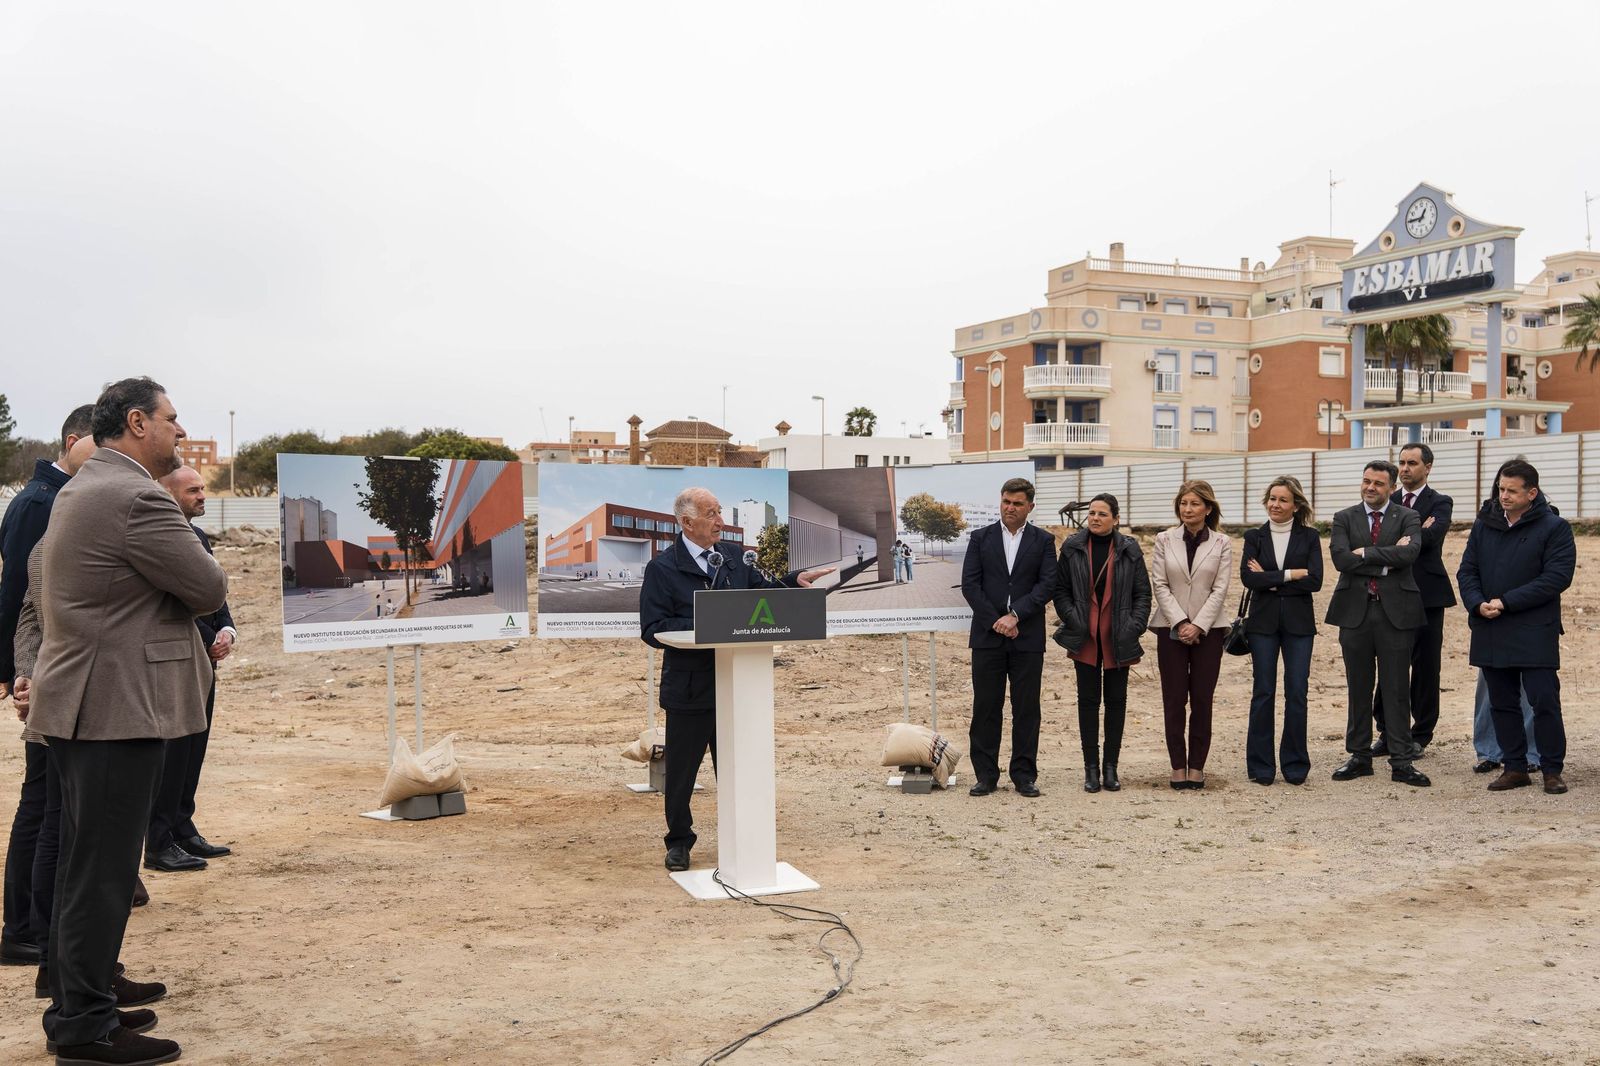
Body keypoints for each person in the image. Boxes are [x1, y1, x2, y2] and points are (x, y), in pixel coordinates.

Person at [28, 377, 228, 1063]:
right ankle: (84, 1027)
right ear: (138, 422)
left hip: (87, 701)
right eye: (172, 418)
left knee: (85, 865)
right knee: (102, 872)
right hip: (113, 706)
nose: (180, 430)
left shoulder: (89, 485)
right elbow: (206, 585)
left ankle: (80, 1000)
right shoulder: (136, 496)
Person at [639, 487, 832, 872]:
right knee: (682, 774)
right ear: (687, 522)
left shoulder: (732, 556)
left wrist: (793, 581)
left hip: (740, 685)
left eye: (719, 511)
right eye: (711, 514)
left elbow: (761, 595)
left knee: (738, 769)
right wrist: (711, 620)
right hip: (691, 689)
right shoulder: (662, 568)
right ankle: (679, 841)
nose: (720, 521)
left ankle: (743, 837)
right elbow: (653, 628)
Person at [0, 404, 95, 969]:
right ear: (72, 440)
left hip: (46, 671)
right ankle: (25, 927)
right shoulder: (42, 502)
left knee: (50, 803)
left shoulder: (63, 496)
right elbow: (21, 596)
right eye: (98, 443)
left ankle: (36, 924)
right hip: (43, 674)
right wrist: (19, 673)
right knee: (41, 804)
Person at [1457, 459, 1575, 794]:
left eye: (1512, 491)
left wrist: (1506, 602)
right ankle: (1514, 768)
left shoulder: (1554, 527)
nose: (1504, 496)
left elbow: (1556, 578)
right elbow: (1467, 571)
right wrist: (1477, 602)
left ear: (1532, 493)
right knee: (1502, 702)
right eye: (1501, 489)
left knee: (1543, 700)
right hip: (1491, 627)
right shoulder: (1485, 525)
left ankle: (1551, 770)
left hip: (1534, 628)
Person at [144, 466, 236, 874]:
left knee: (194, 748)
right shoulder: (156, 537)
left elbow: (215, 592)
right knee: (173, 753)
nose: (202, 496)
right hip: (175, 663)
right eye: (193, 490)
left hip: (205, 661)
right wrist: (206, 636)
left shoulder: (197, 536)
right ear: (167, 492)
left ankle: (183, 826)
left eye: (203, 488)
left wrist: (227, 630)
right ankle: (159, 841)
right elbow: (167, 601)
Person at [1326, 460, 1429, 787]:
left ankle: (1401, 761)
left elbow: (1409, 554)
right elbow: (1341, 559)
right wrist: (1386, 558)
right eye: (1366, 481)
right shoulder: (1344, 517)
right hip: (1354, 613)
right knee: (1358, 687)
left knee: (1396, 689)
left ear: (1392, 487)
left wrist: (1365, 554)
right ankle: (1359, 756)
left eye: (1378, 483)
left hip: (1395, 614)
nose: (1370, 487)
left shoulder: (1408, 517)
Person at [960, 477, 1058, 798]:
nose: (1010, 508)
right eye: (1006, 501)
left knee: (1026, 709)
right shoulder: (980, 538)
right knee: (986, 707)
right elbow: (970, 585)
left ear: (1030, 506)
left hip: (1027, 637)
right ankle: (985, 776)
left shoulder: (1044, 541)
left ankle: (1024, 775)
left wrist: (1015, 615)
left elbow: (1047, 585)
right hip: (987, 637)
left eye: (1017, 503)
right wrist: (997, 621)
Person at [1052, 493, 1150, 794]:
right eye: (1092, 513)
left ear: (1116, 519)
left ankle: (1111, 768)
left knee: (1117, 703)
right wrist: (1073, 618)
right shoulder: (1072, 547)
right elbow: (1061, 590)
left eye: (1102, 514)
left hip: (1118, 637)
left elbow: (1142, 594)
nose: (1094, 518)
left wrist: (1134, 626)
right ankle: (1091, 769)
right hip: (1085, 637)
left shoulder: (1129, 549)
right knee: (1088, 702)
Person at [1370, 442, 1455, 758]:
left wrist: (1403, 535)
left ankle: (1420, 733)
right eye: (1402, 462)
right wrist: (1416, 527)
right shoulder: (1387, 499)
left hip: (1428, 595)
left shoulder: (1441, 502)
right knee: (1389, 664)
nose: (1404, 468)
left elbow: (1428, 540)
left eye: (1412, 463)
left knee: (1425, 667)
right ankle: (1387, 732)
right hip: (1390, 593)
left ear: (1427, 467)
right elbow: (1374, 539)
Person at [1240, 476, 1324, 785]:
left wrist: (1271, 578)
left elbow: (1314, 580)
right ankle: (1260, 766)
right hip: (1262, 624)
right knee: (1263, 692)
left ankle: (1295, 764)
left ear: (1296, 505)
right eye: (1272, 498)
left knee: (1297, 693)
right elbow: (1249, 579)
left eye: (1283, 500)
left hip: (1299, 626)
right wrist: (1290, 575)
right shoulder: (1254, 536)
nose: (1275, 504)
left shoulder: (1310, 537)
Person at [1149, 480, 1231, 790]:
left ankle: (1196, 765)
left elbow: (1220, 588)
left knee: (1202, 699)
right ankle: (1177, 765)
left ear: (1208, 508)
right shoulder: (1163, 539)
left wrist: (1198, 625)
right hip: (1170, 628)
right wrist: (1181, 622)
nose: (1188, 509)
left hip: (1209, 631)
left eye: (1195, 503)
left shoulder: (1222, 542)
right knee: (1173, 699)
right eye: (1183, 503)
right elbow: (1160, 584)